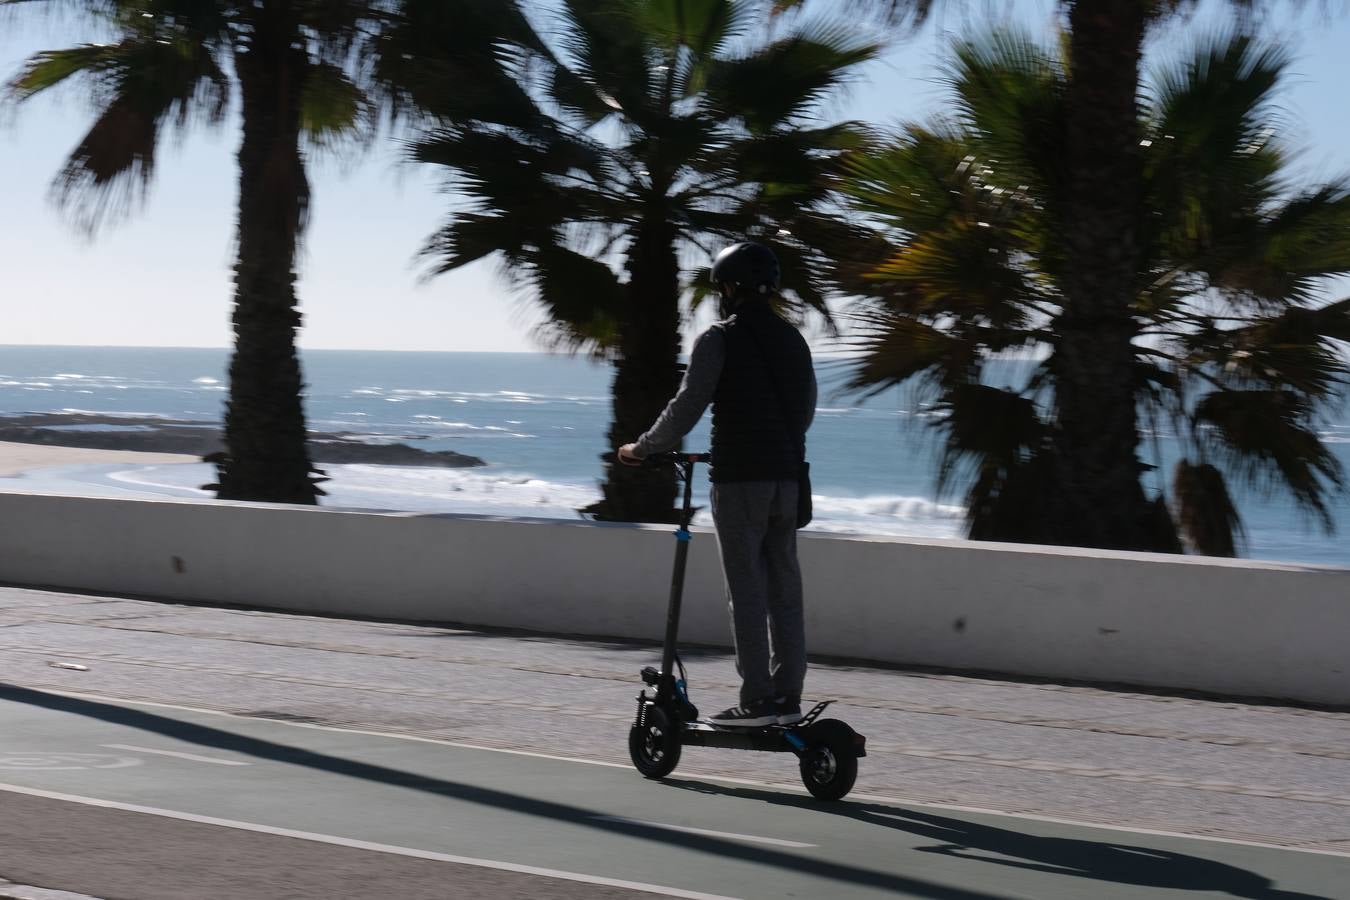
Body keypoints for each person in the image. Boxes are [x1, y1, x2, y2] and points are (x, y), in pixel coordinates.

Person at [619, 241, 816, 727]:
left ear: (729, 287)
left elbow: (687, 406)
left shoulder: (718, 338)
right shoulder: (793, 338)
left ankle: (756, 700)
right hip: (788, 479)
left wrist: (642, 448)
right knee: (785, 590)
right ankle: (786, 697)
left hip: (739, 482)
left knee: (746, 590)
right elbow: (806, 408)